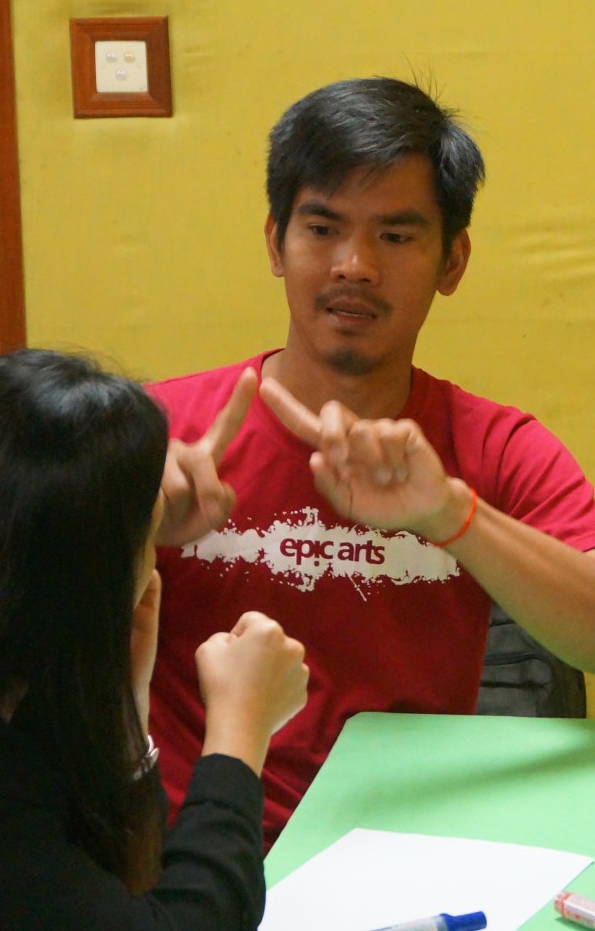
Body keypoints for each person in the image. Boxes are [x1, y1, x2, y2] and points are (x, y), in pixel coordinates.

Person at [147, 76, 595, 851]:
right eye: (322, 228)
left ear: (452, 261)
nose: (353, 265)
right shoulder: (159, 432)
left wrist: (453, 516)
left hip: (408, 856)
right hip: (186, 860)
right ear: (274, 242)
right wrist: (130, 528)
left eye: (395, 235)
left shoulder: (496, 446)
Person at [0, 348, 309, 931]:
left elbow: (110, 888)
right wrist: (237, 736)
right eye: (149, 532)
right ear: (84, 584)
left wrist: (124, 720)